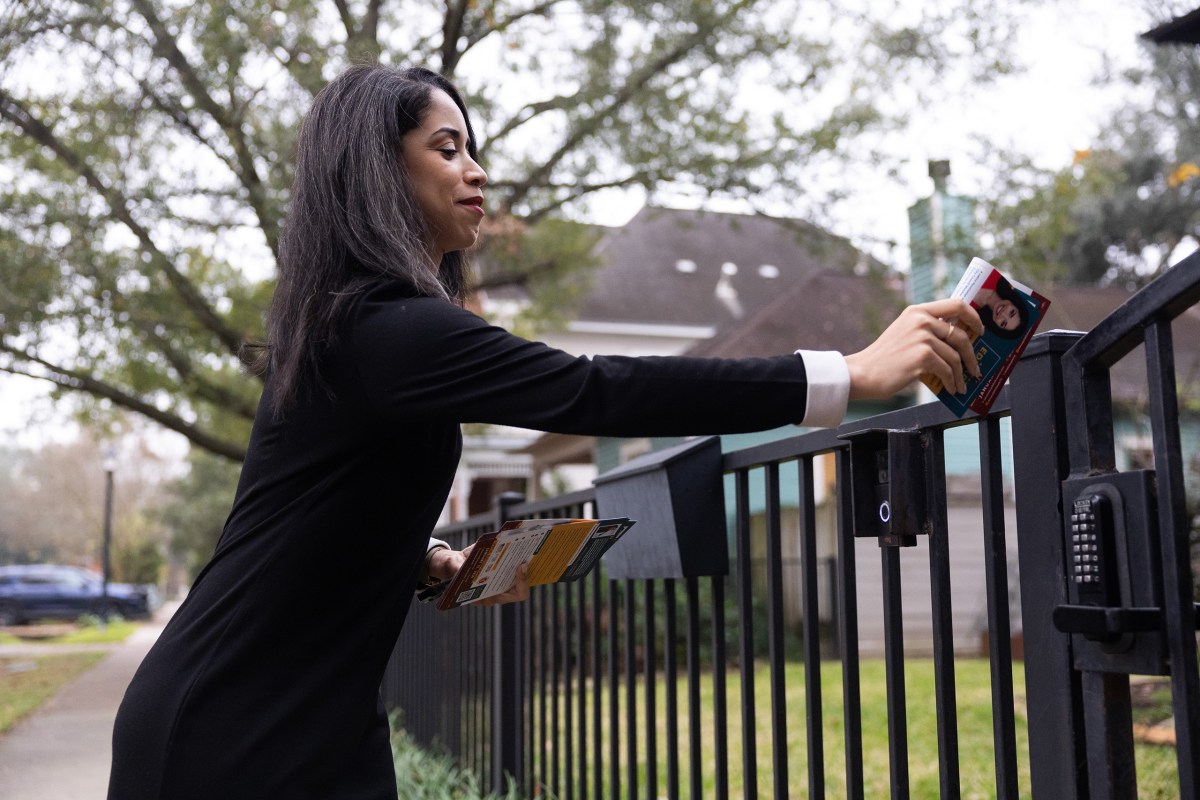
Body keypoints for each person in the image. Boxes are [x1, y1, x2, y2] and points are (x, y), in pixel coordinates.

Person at [107, 64, 982, 799]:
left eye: (472, 148)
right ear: (379, 171)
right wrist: (847, 374)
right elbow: (597, 391)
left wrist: (423, 558)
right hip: (233, 726)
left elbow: (315, 497)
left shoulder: (353, 328)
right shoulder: (389, 330)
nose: (477, 171)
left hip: (310, 715)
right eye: (447, 149)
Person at [973, 274, 1032, 340]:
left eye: (1003, 323)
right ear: (1015, 304)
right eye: (1012, 312)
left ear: (996, 326)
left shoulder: (970, 311)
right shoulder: (999, 274)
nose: (1003, 313)